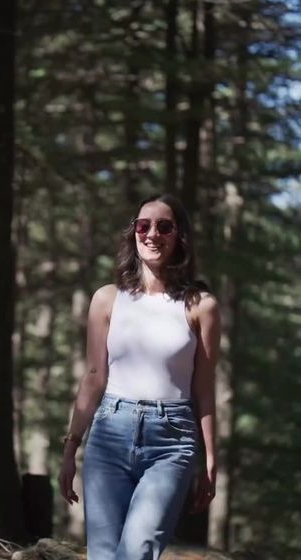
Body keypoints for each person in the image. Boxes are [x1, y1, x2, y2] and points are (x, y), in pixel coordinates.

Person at [59, 194, 220, 559]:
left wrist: (211, 458)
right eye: (143, 226)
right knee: (103, 554)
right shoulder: (107, 299)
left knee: (138, 548)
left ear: (180, 236)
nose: (152, 234)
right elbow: (94, 376)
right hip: (109, 434)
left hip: (172, 441)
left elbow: (204, 389)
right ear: (133, 233)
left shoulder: (201, 306)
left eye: (164, 227)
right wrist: (70, 448)